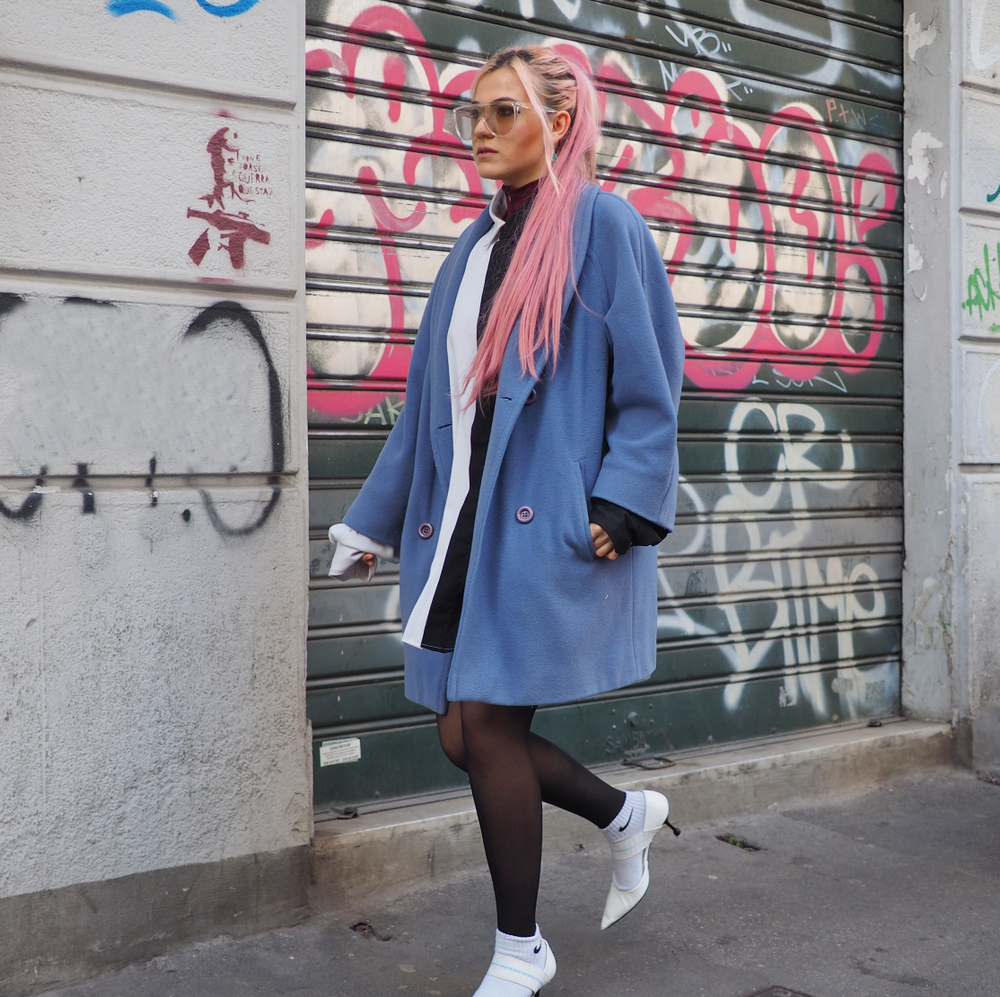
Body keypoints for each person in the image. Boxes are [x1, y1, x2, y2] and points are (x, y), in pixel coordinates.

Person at [328, 45, 685, 997]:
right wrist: (371, 521)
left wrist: (625, 501)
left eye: (501, 113)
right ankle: (621, 814)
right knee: (458, 730)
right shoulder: (472, 247)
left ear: (559, 122)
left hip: (549, 529)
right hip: (464, 527)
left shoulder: (605, 228)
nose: (480, 133)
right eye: (472, 116)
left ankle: (520, 946)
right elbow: (427, 406)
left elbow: (652, 391)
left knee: (484, 721)